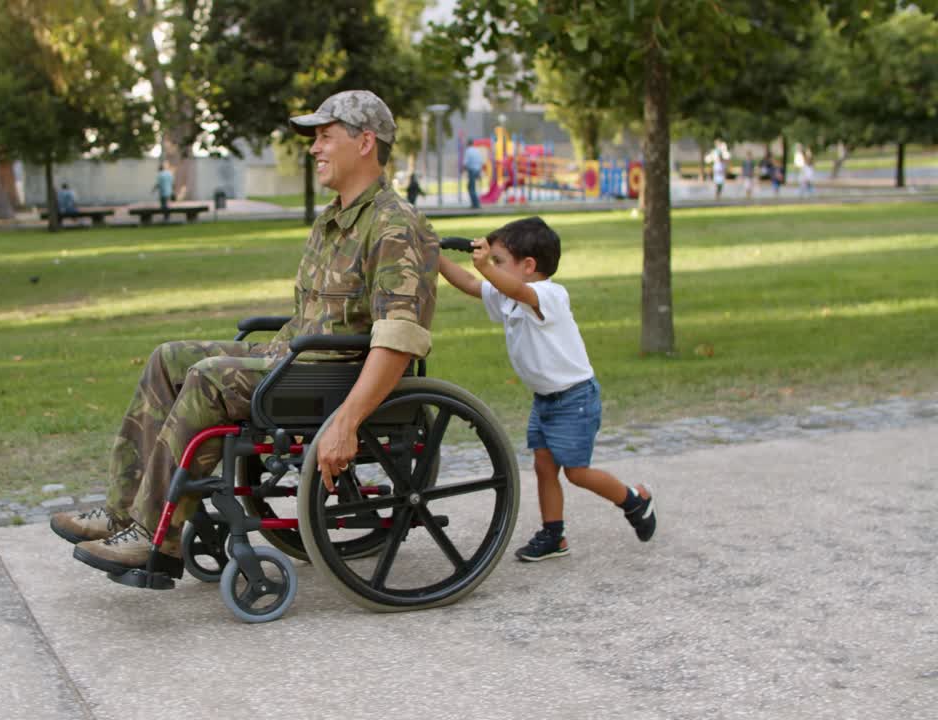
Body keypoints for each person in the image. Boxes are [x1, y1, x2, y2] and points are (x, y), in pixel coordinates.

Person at [56, 90, 440, 577]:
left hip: (331, 376)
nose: (315, 148)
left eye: (325, 136)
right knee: (168, 358)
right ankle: (121, 510)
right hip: (294, 358)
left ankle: (159, 536)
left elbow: (397, 340)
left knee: (209, 377)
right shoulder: (333, 221)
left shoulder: (392, 225)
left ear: (366, 142)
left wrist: (346, 422)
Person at [436, 217, 656, 561]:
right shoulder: (509, 296)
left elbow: (518, 291)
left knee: (577, 472)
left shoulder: (549, 295)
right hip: (546, 400)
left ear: (528, 266)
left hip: (575, 399)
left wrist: (484, 266)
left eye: (498, 261)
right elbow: (468, 283)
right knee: (543, 465)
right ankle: (554, 535)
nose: (490, 268)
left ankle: (633, 499)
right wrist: (434, 257)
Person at [463, 140, 484, 209]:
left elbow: (465, 162)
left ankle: (476, 204)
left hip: (471, 170)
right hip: (477, 170)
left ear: (468, 144)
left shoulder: (468, 151)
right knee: (473, 187)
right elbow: (481, 161)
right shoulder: (476, 150)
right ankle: (475, 203)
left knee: (471, 188)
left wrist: (463, 169)